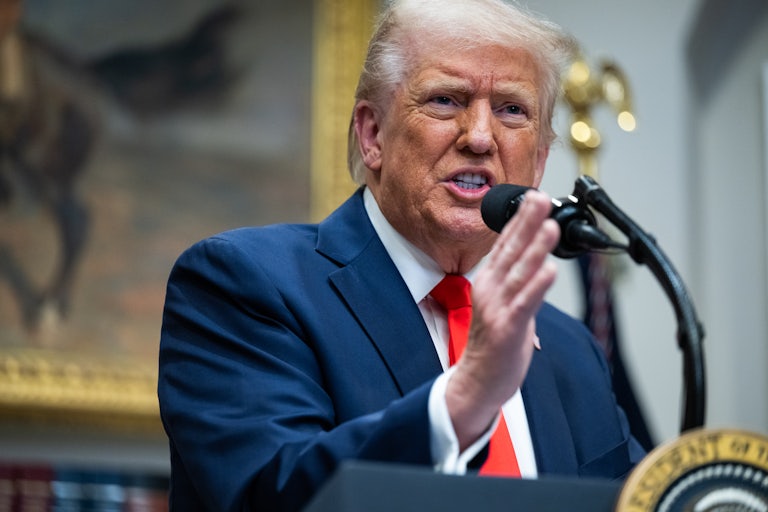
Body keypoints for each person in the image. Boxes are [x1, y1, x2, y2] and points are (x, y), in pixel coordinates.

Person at [157, 0, 647, 510]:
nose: (480, 137)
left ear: (540, 160)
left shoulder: (574, 350)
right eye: (445, 100)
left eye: (511, 110)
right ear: (372, 135)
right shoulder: (244, 284)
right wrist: (464, 399)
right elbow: (270, 497)